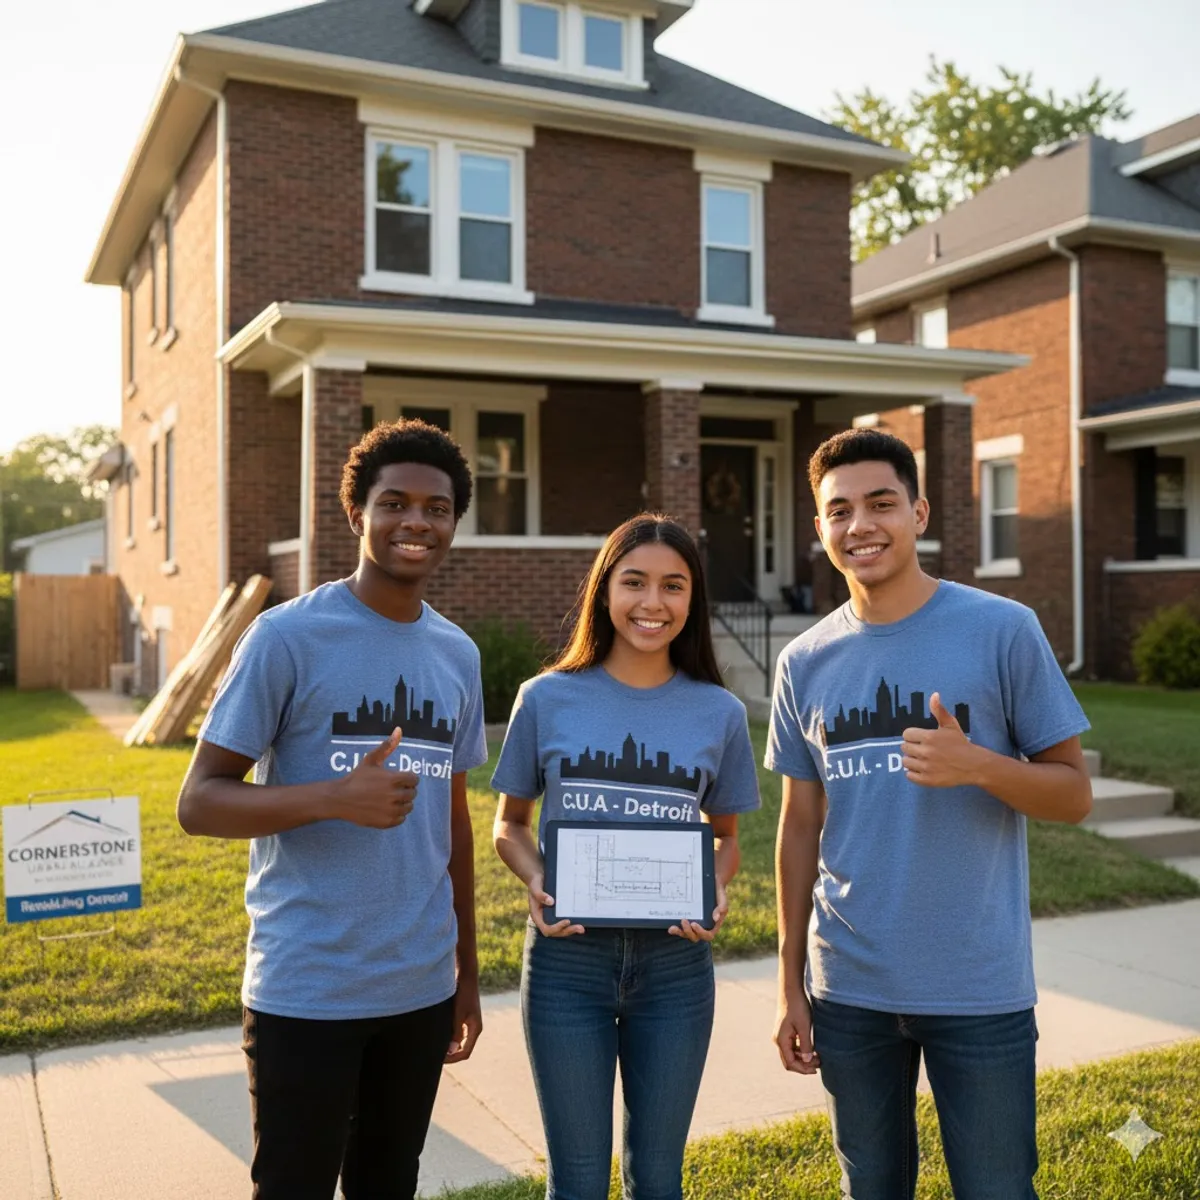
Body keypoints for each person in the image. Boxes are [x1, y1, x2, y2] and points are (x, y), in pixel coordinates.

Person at [768, 429, 1092, 1200]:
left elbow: (1074, 795)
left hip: (977, 985)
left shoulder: (1001, 628)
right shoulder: (803, 661)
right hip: (848, 987)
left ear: (918, 512)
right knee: (871, 1188)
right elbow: (799, 828)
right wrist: (791, 988)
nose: (861, 526)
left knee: (996, 1188)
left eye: (881, 504)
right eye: (838, 511)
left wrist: (980, 765)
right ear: (819, 531)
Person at [176, 419, 487, 1200]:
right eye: (395, 503)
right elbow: (199, 801)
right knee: (294, 1186)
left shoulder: (457, 652)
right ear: (357, 515)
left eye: (437, 507)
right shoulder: (287, 638)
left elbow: (453, 826)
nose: (416, 522)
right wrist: (332, 798)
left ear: (454, 521)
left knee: (389, 1185)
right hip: (306, 985)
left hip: (418, 985)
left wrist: (467, 974)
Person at [492, 513, 761, 1200]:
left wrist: (717, 886)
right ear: (604, 591)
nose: (653, 603)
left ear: (692, 600)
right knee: (578, 1182)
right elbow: (510, 825)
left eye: (674, 586)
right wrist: (537, 877)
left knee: (658, 1179)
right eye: (634, 581)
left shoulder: (719, 713)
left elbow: (725, 838)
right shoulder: (546, 698)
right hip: (566, 963)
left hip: (675, 966)